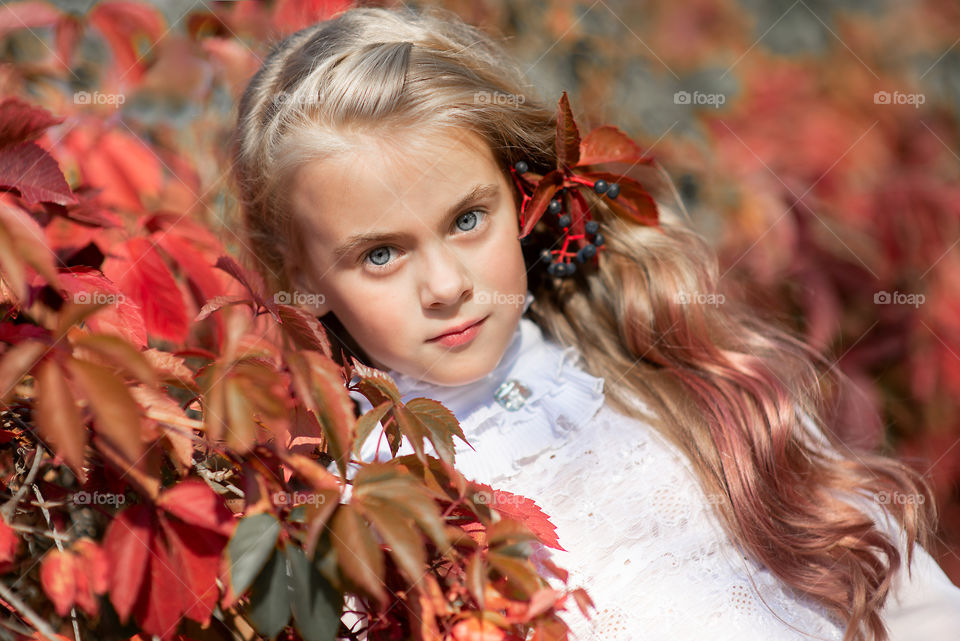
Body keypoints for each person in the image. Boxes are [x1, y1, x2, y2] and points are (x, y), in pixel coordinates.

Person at [229, 5, 960, 640]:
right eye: (381, 253)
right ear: (301, 276)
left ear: (524, 195)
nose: (446, 286)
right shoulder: (362, 520)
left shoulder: (681, 380)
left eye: (467, 219)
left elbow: (911, 600)